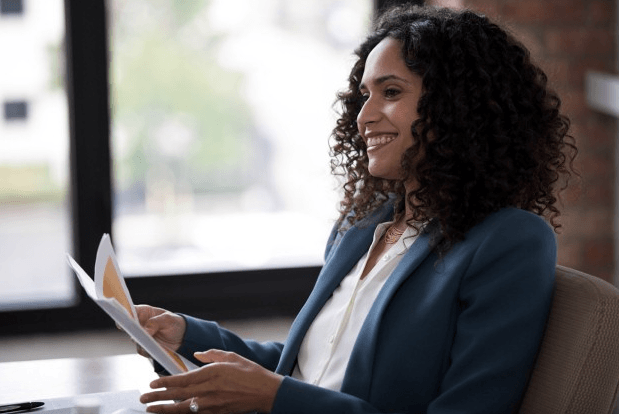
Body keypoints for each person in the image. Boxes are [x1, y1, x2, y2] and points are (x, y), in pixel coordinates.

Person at [138, 5, 577, 414]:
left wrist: (276, 398)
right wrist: (186, 335)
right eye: (364, 95)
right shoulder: (361, 228)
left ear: (459, 106)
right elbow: (309, 366)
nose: (364, 116)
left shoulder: (508, 241)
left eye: (390, 92)